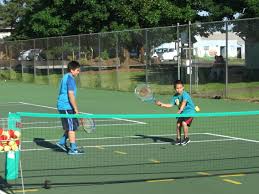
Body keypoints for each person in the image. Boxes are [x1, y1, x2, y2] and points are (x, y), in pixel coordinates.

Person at [56, 61, 84, 155]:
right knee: (71, 128)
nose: (78, 72)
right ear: (72, 70)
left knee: (72, 125)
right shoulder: (70, 79)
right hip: (66, 106)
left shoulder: (66, 77)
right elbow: (71, 95)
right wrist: (76, 109)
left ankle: (62, 142)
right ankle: (73, 149)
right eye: (77, 70)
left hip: (65, 106)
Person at [156, 80, 196, 146]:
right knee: (178, 124)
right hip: (182, 113)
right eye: (177, 88)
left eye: (180, 88)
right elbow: (171, 105)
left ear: (183, 87)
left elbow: (184, 102)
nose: (179, 89)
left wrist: (180, 110)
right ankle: (178, 139)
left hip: (190, 112)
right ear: (175, 89)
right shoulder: (175, 96)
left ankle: (186, 138)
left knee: (184, 123)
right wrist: (162, 104)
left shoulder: (185, 94)